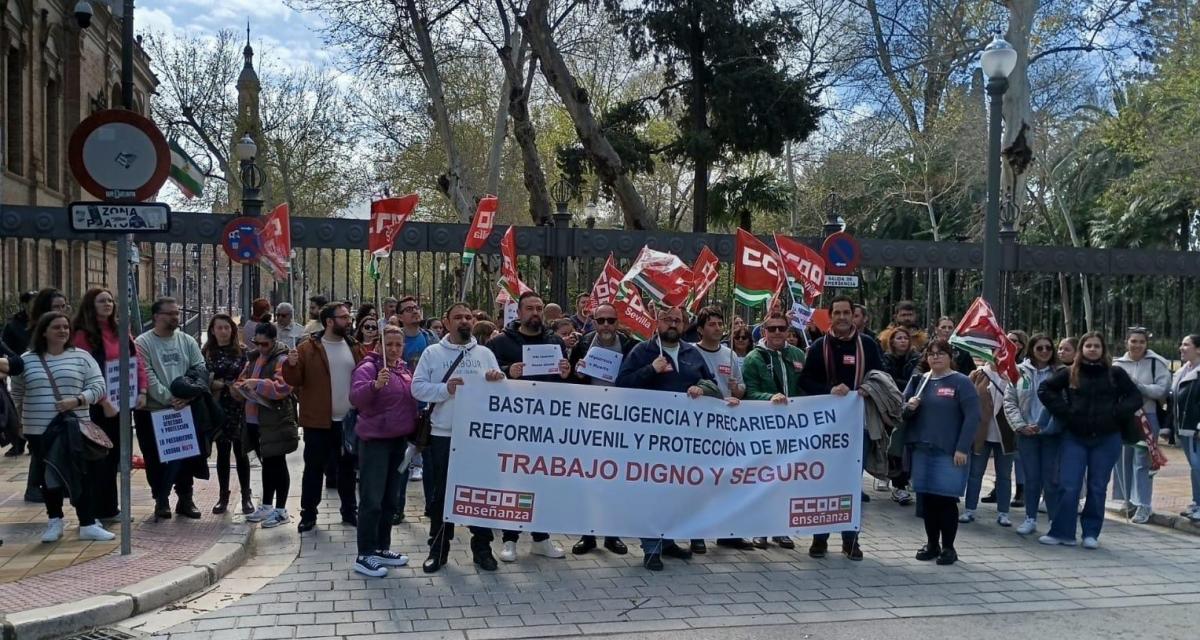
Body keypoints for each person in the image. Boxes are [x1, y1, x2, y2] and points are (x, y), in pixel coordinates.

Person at [616, 304, 737, 570]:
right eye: (667, 319)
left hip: (685, 440)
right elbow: (621, 387)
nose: (672, 323)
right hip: (651, 440)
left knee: (677, 492)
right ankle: (651, 547)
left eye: (677, 320)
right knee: (653, 493)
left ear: (684, 325)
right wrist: (651, 370)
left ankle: (668, 540)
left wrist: (701, 388)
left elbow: (713, 386)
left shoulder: (691, 353)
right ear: (657, 322)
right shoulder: (642, 351)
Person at [412, 303, 507, 573]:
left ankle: (482, 548)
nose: (464, 321)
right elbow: (417, 388)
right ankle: (438, 549)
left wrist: (497, 380)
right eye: (458, 317)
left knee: (479, 493)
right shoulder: (432, 353)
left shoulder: (485, 353)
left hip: (477, 437)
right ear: (446, 322)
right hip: (444, 434)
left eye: (468, 316)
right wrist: (445, 389)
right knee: (441, 493)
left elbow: (499, 394)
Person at [11, 312, 111, 542]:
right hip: (39, 430)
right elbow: (17, 392)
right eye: (57, 327)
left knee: (81, 474)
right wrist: (18, 420)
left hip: (74, 428)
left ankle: (87, 523)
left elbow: (98, 386)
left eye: (66, 327)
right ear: (44, 331)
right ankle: (54, 521)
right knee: (49, 475)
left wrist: (77, 400)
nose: (63, 331)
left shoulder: (82, 358)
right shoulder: (27, 360)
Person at [486, 292, 570, 562]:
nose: (535, 313)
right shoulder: (499, 342)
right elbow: (487, 375)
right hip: (513, 426)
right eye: (530, 308)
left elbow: (562, 385)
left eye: (539, 308)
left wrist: (567, 373)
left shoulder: (554, 341)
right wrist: (508, 371)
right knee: (513, 481)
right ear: (519, 313)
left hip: (546, 427)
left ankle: (541, 538)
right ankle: (509, 538)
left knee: (542, 481)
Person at [1038, 332, 1142, 548]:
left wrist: (1116, 413)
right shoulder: (1069, 372)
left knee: (1097, 487)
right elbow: (1045, 389)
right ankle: (1062, 532)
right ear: (1081, 349)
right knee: (1069, 485)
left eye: (1097, 346)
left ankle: (1091, 533)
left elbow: (1135, 397)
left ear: (1103, 350)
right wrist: (1065, 412)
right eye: (1088, 346)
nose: (1093, 349)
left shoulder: (1116, 374)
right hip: (1074, 437)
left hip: (1107, 438)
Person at [799, 295, 883, 561]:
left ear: (854, 315)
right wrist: (829, 391)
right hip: (825, 432)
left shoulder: (868, 346)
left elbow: (881, 377)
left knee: (851, 485)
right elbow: (805, 383)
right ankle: (819, 538)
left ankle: (851, 540)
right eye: (838, 313)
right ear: (830, 316)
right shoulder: (817, 347)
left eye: (848, 312)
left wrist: (862, 390)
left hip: (858, 428)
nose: (843, 317)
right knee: (823, 483)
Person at [283, 302, 365, 533]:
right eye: (344, 317)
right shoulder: (308, 348)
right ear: (329, 321)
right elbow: (294, 380)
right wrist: (290, 365)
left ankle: (350, 511)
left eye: (349, 317)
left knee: (347, 470)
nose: (349, 321)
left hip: (348, 421)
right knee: (314, 469)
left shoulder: (354, 346)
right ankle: (308, 514)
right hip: (317, 422)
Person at [71, 288, 150, 522]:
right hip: (97, 406)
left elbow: (137, 361)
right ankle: (94, 511)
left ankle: (109, 508)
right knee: (97, 457)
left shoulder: (120, 329)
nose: (107, 304)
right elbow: (84, 372)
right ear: (90, 304)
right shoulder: (82, 334)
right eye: (101, 301)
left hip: (122, 403)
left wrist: (142, 390)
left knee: (115, 456)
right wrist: (103, 401)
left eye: (110, 300)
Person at [900, 338, 981, 566]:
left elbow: (973, 416)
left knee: (945, 500)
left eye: (941, 353)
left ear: (950, 357)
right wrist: (910, 406)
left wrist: (962, 447)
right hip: (922, 449)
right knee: (927, 499)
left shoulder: (961, 382)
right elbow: (902, 408)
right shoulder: (921, 380)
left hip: (949, 451)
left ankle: (949, 547)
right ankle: (931, 544)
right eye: (931, 353)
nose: (936, 357)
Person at [566, 302, 635, 556]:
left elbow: (636, 378)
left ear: (617, 322)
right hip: (588, 421)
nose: (606, 325)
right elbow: (571, 380)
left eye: (611, 320)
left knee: (615, 479)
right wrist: (579, 374)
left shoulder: (630, 345)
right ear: (593, 321)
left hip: (621, 421)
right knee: (587, 479)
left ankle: (612, 535)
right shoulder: (583, 344)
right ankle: (588, 535)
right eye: (601, 320)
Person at [349, 325, 416, 577]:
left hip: (399, 441)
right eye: (389, 344)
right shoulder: (369, 368)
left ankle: (381, 546)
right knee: (372, 499)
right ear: (378, 345)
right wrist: (375, 385)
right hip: (375, 442)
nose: (394, 349)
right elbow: (356, 398)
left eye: (398, 344)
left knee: (390, 499)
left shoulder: (403, 369)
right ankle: (364, 552)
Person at [135, 297, 206, 520]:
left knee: (185, 456)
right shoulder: (143, 343)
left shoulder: (187, 341)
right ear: (157, 316)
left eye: (177, 313)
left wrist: (186, 398)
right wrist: (169, 398)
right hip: (152, 411)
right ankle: (161, 500)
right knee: (154, 457)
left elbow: (200, 369)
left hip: (182, 409)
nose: (176, 317)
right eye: (171, 314)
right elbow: (146, 375)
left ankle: (185, 499)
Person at [742, 311, 806, 550]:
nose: (777, 332)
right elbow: (749, 392)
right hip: (764, 431)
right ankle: (760, 530)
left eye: (782, 328)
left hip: (794, 431)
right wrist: (771, 397)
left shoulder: (798, 354)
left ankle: (781, 529)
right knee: (763, 481)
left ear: (789, 331)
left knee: (787, 481)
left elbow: (807, 387)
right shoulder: (753, 358)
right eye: (772, 329)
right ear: (763, 332)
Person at [236, 323, 297, 529]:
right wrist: (243, 386)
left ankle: (281, 509)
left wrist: (258, 384)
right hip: (255, 420)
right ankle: (267, 505)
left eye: (265, 343)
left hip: (274, 421)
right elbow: (241, 379)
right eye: (257, 343)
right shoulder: (254, 358)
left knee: (277, 464)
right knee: (267, 465)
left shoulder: (281, 359)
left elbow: (283, 387)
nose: (261, 347)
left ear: (273, 341)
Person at [1003, 334, 1065, 536]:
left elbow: (1066, 401)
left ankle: (1055, 521)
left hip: (1051, 433)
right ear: (1031, 350)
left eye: (1048, 347)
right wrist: (1020, 426)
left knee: (1051, 479)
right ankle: (1030, 518)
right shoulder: (1019, 372)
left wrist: (1054, 425)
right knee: (1032, 478)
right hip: (1027, 433)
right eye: (1040, 348)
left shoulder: (1061, 372)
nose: (1045, 351)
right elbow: (1009, 401)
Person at [1112, 327, 1171, 524]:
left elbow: (1162, 389)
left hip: (1147, 416)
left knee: (1143, 461)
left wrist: (1138, 386)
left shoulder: (1157, 363)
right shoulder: (1117, 364)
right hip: (1123, 417)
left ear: (1147, 344)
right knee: (1123, 459)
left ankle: (1144, 504)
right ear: (1126, 342)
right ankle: (1129, 500)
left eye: (1141, 342)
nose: (1137, 345)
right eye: (1133, 341)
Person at [202, 314, 253, 516]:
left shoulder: (243, 352)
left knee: (242, 453)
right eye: (219, 328)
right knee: (222, 453)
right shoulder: (206, 352)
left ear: (232, 330)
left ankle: (246, 496)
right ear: (212, 330)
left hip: (239, 406)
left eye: (226, 327)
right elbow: (202, 378)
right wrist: (221, 384)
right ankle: (223, 495)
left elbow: (250, 375)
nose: (223, 331)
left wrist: (237, 387)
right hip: (217, 406)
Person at [395, 296, 438, 508]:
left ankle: (432, 505)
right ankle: (397, 507)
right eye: (408, 309)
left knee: (430, 461)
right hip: (404, 407)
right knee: (403, 460)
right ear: (400, 316)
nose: (414, 311)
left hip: (428, 408)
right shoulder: (395, 340)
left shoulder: (431, 338)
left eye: (416, 308)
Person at [961, 364, 1015, 527]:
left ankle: (1003, 513)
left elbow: (1019, 400)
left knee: (1004, 476)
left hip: (1006, 433)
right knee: (975, 473)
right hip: (981, 433)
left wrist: (1010, 383)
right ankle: (969, 509)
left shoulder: (1013, 374)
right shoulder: (978, 373)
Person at [881, 326, 919, 504]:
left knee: (907, 448)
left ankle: (904, 482)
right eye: (899, 338)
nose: (903, 341)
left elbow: (918, 379)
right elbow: (888, 381)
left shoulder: (916, 359)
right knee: (894, 447)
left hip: (912, 407)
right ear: (891, 342)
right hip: (891, 409)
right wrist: (906, 385)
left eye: (905, 338)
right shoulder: (886, 359)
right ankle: (897, 484)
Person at [1171, 335, 1200, 523]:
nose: (1181, 348)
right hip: (1184, 427)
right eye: (1181, 344)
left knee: (1199, 466)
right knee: (1195, 468)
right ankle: (1197, 503)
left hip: (1196, 429)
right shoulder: (1183, 371)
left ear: (1198, 349)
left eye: (1186, 344)